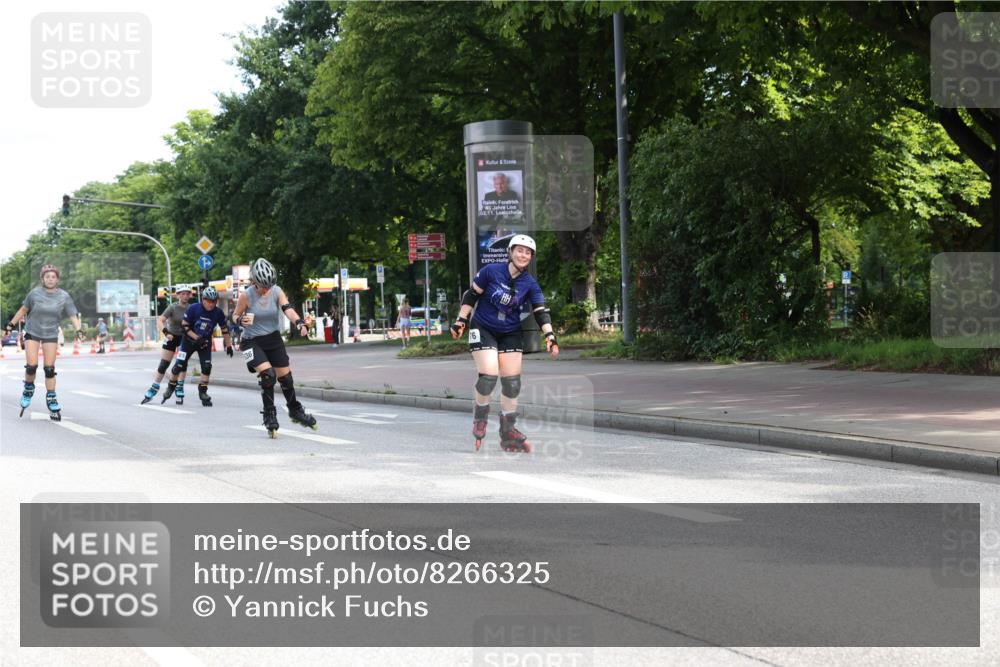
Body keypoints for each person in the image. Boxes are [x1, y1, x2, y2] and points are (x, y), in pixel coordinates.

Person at [450, 234, 559, 453]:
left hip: (510, 332)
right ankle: (480, 416)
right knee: (489, 377)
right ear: (510, 252)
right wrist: (461, 320)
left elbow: (540, 313)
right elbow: (471, 295)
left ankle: (508, 429)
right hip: (483, 328)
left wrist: (550, 336)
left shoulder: (530, 284)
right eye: (519, 250)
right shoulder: (491, 271)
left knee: (512, 383)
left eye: (528, 252)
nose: (523, 255)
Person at [231, 257, 317, 438]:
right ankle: (269, 415)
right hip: (250, 341)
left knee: (286, 378)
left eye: (269, 285)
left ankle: (295, 410)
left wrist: (300, 323)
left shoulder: (276, 291)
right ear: (254, 282)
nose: (266, 290)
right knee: (268, 375)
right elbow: (235, 315)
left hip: (273, 339)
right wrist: (240, 320)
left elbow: (288, 309)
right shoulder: (246, 295)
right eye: (263, 286)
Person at [4, 264, 85, 420]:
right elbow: (23, 310)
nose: (50, 279)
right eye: (47, 276)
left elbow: (73, 315)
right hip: (33, 331)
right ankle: (28, 388)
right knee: (32, 366)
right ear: (42, 279)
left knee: (49, 368)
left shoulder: (64, 296)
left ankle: (52, 398)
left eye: (53, 277)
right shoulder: (34, 294)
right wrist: (10, 325)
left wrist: (79, 330)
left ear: (57, 279)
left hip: (50, 333)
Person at [160, 286, 234, 407]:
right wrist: (196, 338)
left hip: (204, 343)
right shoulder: (194, 308)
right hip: (188, 341)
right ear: (203, 300)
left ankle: (203, 392)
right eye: (209, 301)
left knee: (206, 367)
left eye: (214, 301)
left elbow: (224, 329)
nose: (211, 304)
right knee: (178, 366)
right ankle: (170, 387)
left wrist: (229, 345)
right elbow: (185, 326)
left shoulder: (218, 312)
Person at [141, 285, 193, 404]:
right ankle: (154, 387)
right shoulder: (173, 307)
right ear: (178, 295)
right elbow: (160, 320)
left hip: (184, 338)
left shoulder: (192, 308)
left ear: (190, 295)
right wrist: (166, 332)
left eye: (187, 294)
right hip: (171, 337)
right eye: (182, 294)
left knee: (181, 364)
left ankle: (179, 387)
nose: (185, 296)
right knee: (164, 364)